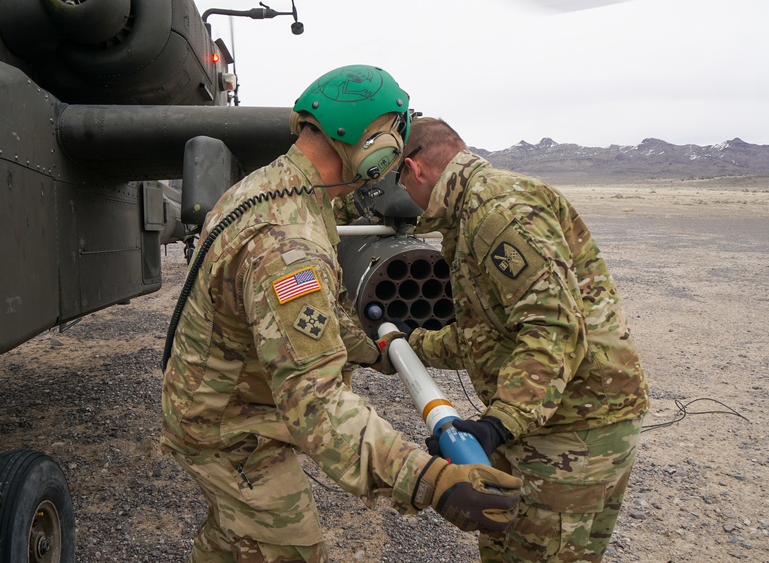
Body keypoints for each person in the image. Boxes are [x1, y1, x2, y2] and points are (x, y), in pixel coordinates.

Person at [160, 66, 522, 562]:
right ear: (369, 140)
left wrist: (372, 351)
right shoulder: (289, 244)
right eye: (395, 133)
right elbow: (315, 402)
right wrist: (429, 479)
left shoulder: (274, 189)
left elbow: (316, 316)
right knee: (290, 550)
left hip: (215, 402)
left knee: (233, 541)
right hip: (232, 431)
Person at [392, 117, 650, 562]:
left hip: (573, 430)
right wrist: (404, 347)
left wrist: (497, 424)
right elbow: (483, 335)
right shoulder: (470, 212)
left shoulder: (497, 210)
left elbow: (552, 326)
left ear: (414, 170)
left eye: (397, 180)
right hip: (542, 424)